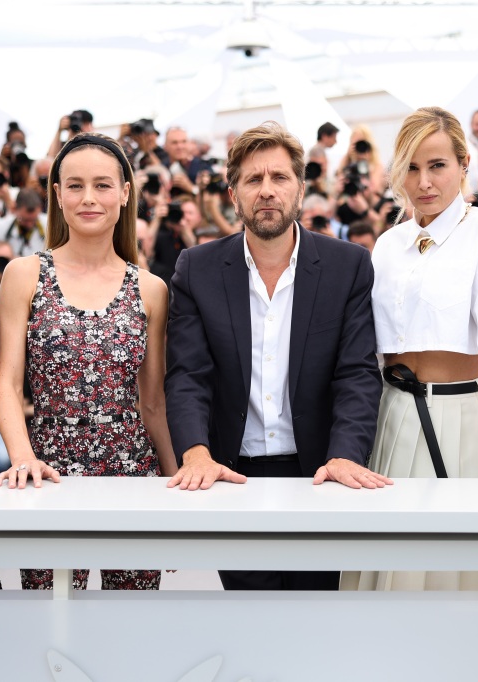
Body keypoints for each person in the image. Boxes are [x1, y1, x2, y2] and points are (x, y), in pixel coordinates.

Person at [344, 106, 478, 593]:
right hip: (391, 418)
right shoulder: (388, 244)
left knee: (460, 573)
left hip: (462, 419)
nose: (424, 182)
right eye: (412, 168)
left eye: (437, 165)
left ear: (464, 164)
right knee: (392, 568)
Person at [165, 121, 390, 592]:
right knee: (250, 622)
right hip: (232, 475)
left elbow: (356, 375)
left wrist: (346, 454)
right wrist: (196, 453)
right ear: (233, 193)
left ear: (301, 188)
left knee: (318, 619)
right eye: (253, 180)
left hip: (321, 475)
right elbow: (188, 375)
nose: (267, 191)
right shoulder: (197, 268)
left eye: (279, 178)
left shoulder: (347, 266)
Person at [0, 133, 177, 592]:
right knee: (51, 622)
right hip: (48, 470)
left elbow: (153, 404)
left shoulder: (150, 288)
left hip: (133, 473)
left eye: (102, 185)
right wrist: (23, 459)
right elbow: (8, 388)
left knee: (131, 621)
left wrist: (176, 489)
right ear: (57, 194)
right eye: (74, 186)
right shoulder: (24, 275)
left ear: (125, 193)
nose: (89, 198)